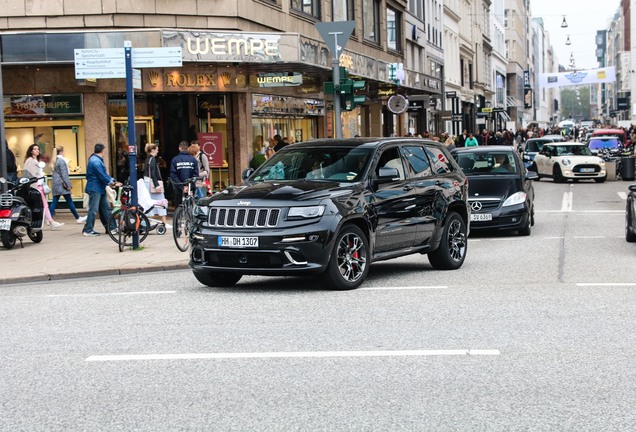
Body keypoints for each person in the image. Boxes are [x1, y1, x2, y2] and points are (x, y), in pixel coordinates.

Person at [23, 144, 64, 230]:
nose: (37, 150)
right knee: (44, 204)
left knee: (43, 205)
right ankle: (51, 221)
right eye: (35, 149)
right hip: (36, 186)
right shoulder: (31, 161)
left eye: (38, 149)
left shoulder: (33, 160)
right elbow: (31, 174)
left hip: (37, 185)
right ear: (31, 151)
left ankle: (49, 221)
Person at [83, 143, 121, 237]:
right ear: (103, 150)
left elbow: (103, 174)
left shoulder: (96, 160)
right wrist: (112, 182)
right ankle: (88, 230)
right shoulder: (96, 161)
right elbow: (102, 175)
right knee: (94, 209)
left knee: (106, 209)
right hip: (95, 188)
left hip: (99, 188)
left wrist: (112, 180)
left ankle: (111, 228)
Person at [49, 145, 86, 224]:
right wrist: (68, 184)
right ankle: (78, 218)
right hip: (62, 185)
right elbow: (64, 174)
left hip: (56, 184)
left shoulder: (55, 160)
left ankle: (50, 219)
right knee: (69, 201)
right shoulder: (62, 161)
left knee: (54, 201)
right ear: (61, 151)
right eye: (64, 151)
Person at [143, 143, 169, 227]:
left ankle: (149, 221)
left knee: (149, 203)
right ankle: (164, 222)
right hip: (152, 184)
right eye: (157, 149)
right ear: (153, 150)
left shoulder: (148, 159)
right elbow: (153, 173)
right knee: (162, 201)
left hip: (147, 183)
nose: (158, 151)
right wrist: (157, 184)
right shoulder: (152, 159)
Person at [169, 140, 199, 207]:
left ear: (179, 148)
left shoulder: (175, 159)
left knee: (179, 206)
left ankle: (179, 216)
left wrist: (181, 186)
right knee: (190, 205)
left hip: (178, 187)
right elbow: (195, 174)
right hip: (190, 187)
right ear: (188, 148)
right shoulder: (193, 160)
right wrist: (189, 186)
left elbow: (173, 175)